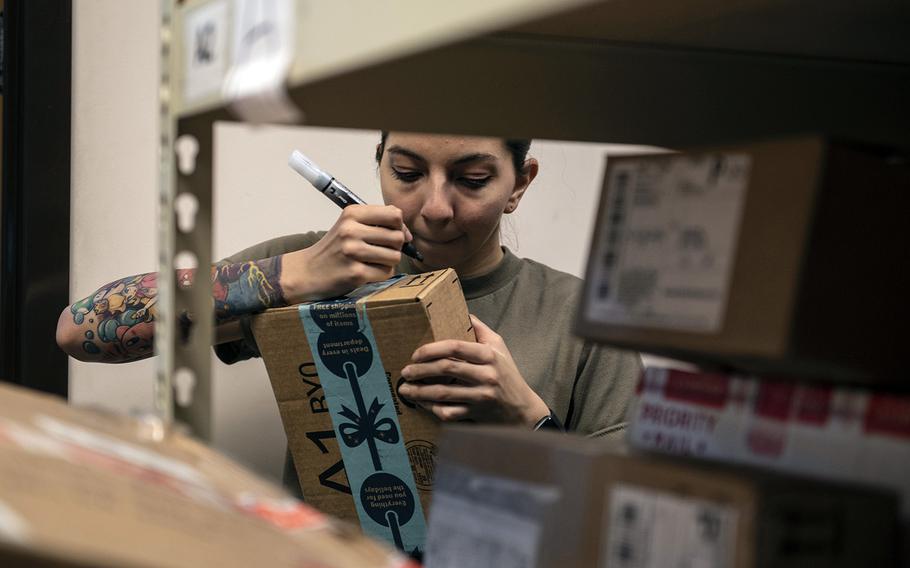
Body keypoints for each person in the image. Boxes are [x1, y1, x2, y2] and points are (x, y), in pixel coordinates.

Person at [57, 132, 640, 441]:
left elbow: (634, 517)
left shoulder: (580, 315)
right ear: (379, 160)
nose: (435, 208)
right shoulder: (316, 262)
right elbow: (81, 329)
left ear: (519, 183)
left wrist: (527, 418)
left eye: (473, 179)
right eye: (407, 174)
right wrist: (298, 274)